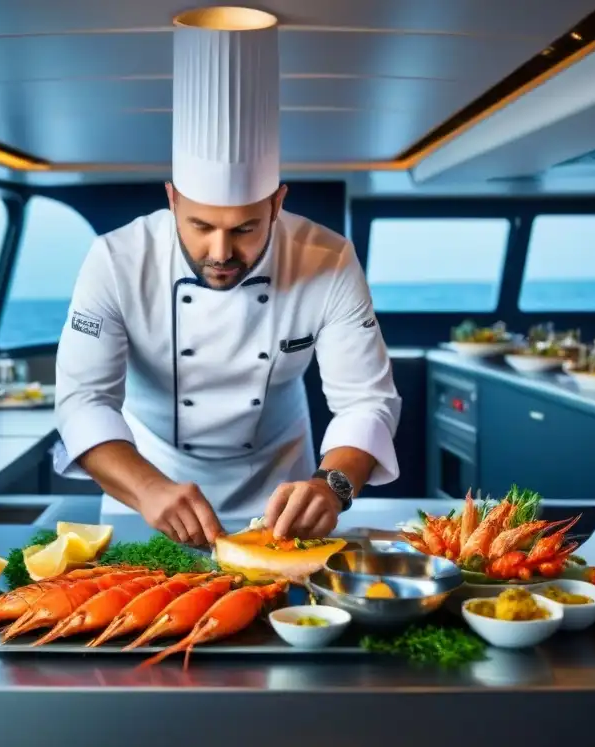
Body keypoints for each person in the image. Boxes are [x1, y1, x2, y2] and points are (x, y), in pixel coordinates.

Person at [52, 9, 401, 546]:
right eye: (199, 225)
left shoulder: (327, 259)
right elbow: (83, 402)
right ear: (171, 199)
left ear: (277, 203)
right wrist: (148, 489)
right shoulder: (116, 260)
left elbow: (366, 401)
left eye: (244, 228)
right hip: (147, 490)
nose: (221, 252)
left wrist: (331, 485)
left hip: (285, 497)